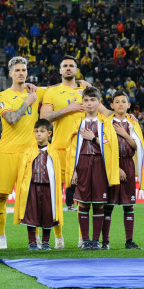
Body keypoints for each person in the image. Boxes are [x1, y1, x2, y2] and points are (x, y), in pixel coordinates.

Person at [0, 56, 45, 249]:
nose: (21, 73)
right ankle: (1, 237)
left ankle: (35, 238)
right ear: (10, 73)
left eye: (23, 70)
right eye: (17, 70)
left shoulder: (36, 92)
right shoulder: (3, 96)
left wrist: (81, 83)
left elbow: (58, 88)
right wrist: (27, 102)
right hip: (7, 152)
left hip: (29, 154)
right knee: (2, 196)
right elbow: (13, 119)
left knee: (32, 196)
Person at [40, 55, 87, 248]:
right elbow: (45, 118)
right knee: (54, 195)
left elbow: (99, 110)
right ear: (60, 71)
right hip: (58, 148)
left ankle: (83, 238)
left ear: (76, 70)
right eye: (65, 66)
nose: (68, 68)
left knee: (83, 196)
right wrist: (69, 108)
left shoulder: (85, 89)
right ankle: (58, 238)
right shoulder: (52, 92)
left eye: (71, 66)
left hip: (82, 149)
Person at [71, 87, 119, 251]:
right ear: (82, 103)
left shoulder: (106, 123)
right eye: (86, 100)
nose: (89, 103)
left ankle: (96, 241)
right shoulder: (77, 123)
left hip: (100, 164)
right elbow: (72, 149)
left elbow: (111, 145)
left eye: (93, 100)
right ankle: (85, 240)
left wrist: (94, 138)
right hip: (83, 164)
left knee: (99, 204)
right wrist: (73, 170)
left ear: (99, 102)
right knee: (83, 203)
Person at [101, 91, 144, 250]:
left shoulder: (132, 123)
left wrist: (125, 134)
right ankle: (105, 242)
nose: (120, 104)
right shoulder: (106, 123)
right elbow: (104, 147)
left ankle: (129, 241)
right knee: (108, 205)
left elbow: (136, 146)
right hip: (112, 166)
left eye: (123, 101)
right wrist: (115, 167)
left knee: (129, 205)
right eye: (117, 102)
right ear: (112, 106)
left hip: (128, 164)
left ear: (129, 104)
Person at [14, 119, 63, 251]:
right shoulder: (28, 151)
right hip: (32, 188)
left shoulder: (54, 153)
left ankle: (46, 242)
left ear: (49, 133)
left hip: (48, 188)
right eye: (36, 131)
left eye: (42, 131)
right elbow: (22, 172)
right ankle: (32, 242)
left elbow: (57, 174)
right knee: (31, 215)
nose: (38, 134)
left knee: (48, 214)